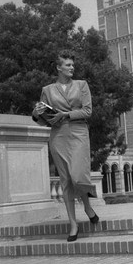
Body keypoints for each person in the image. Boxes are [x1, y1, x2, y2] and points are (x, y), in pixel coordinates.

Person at [32, 50, 99, 242]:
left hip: (78, 133)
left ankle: (87, 206)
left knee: (78, 175)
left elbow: (87, 111)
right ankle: (73, 223)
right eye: (68, 65)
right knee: (66, 181)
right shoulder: (47, 90)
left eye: (72, 65)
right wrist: (36, 112)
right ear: (58, 67)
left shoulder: (82, 85)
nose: (72, 68)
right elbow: (42, 119)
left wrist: (66, 115)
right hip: (58, 136)